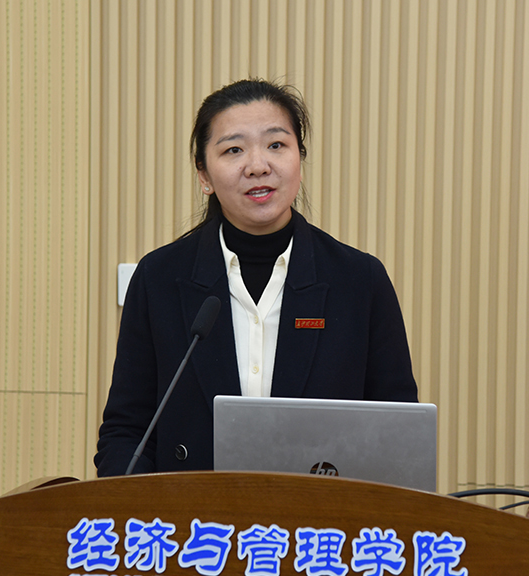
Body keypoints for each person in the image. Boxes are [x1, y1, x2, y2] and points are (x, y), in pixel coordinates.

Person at [95, 79, 417, 477]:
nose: (258, 165)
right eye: (233, 149)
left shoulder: (359, 281)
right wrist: (131, 504)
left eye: (276, 145)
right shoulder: (159, 278)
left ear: (300, 159)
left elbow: (398, 433)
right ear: (204, 175)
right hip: (192, 514)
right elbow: (128, 430)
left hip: (322, 514)